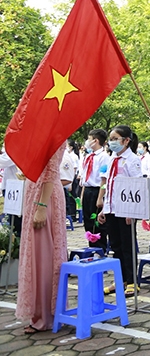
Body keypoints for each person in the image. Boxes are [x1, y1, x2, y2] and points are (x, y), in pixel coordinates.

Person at [16, 143, 67, 333]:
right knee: (33, 253)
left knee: (43, 255)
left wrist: (42, 206)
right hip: (35, 193)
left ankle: (46, 315)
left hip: (46, 197)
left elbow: (51, 174)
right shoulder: (41, 134)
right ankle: (40, 313)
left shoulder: (56, 136)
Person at [97, 125, 143, 297]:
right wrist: (104, 207)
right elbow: (108, 183)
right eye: (111, 139)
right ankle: (120, 279)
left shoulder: (133, 160)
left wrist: (132, 211)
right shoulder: (111, 159)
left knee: (127, 245)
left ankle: (132, 281)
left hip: (126, 210)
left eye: (115, 139)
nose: (112, 142)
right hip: (111, 208)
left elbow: (136, 185)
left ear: (126, 141)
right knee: (115, 246)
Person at [80, 129, 110, 250]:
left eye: (89, 139)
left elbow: (103, 179)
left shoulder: (103, 157)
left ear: (96, 140)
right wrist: (82, 194)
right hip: (87, 190)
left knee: (97, 223)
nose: (87, 142)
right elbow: (85, 178)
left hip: (97, 191)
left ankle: (100, 249)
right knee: (88, 222)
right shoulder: (88, 156)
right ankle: (92, 247)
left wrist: (100, 198)